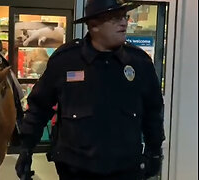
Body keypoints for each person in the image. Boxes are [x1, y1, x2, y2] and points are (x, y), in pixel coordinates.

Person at [15, 0, 165, 180]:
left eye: (124, 16)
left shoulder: (139, 63)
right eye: (115, 18)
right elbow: (39, 107)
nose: (124, 22)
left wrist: (155, 151)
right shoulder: (66, 61)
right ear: (94, 25)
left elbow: (153, 111)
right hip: (75, 169)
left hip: (126, 169)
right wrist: (26, 148)